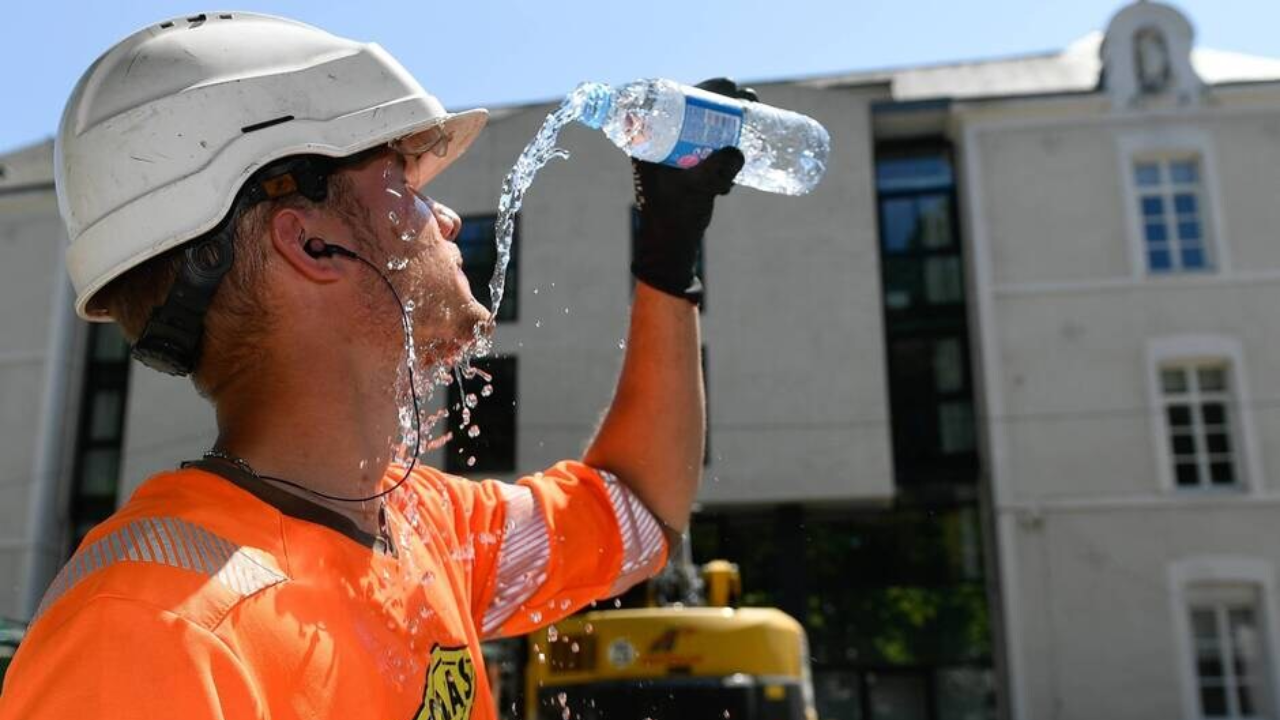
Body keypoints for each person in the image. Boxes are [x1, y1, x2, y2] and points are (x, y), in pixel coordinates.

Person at [0, 11, 749, 720]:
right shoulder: (145, 630)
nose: (447, 217)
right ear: (310, 244)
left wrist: (667, 261)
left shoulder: (422, 524)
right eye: (404, 179)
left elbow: (639, 510)